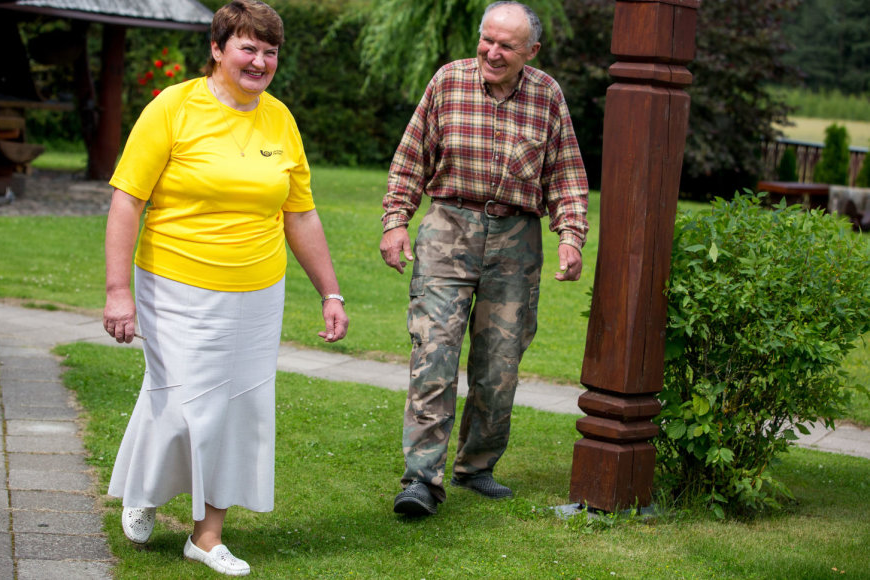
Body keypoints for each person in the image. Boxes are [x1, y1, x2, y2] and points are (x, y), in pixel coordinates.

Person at [103, 0, 348, 575]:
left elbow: (301, 214)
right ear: (217, 50)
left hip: (258, 290)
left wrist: (330, 292)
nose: (260, 61)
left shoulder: (280, 119)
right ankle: (144, 492)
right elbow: (127, 199)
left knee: (240, 409)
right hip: (175, 281)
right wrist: (119, 291)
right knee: (184, 402)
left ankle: (207, 535)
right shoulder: (173, 107)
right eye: (248, 48)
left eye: (270, 52)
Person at [380, 1, 589, 517]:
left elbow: (565, 175)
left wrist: (571, 236)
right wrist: (395, 221)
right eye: (487, 40)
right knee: (435, 354)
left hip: (516, 239)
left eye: (506, 46)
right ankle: (421, 479)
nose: (492, 52)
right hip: (449, 227)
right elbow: (411, 157)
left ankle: (477, 467)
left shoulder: (547, 96)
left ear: (531, 52)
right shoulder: (448, 82)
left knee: (499, 366)